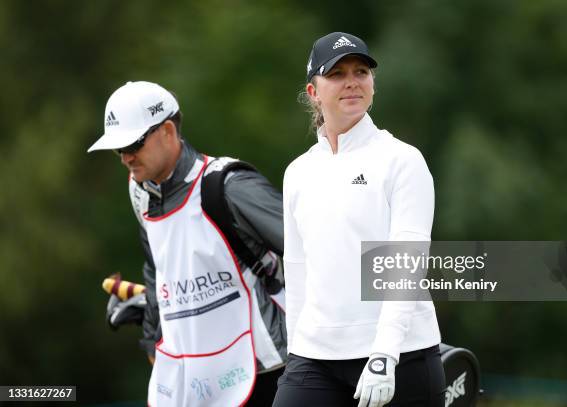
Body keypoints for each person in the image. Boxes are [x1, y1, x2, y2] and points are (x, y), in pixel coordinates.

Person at [88, 81, 287, 406]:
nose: (125, 158)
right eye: (118, 149)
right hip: (202, 378)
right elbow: (158, 268)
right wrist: (154, 333)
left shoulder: (228, 186)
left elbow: (312, 248)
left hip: (269, 370)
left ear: (167, 131)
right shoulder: (141, 192)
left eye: (133, 144)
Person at [273, 32, 445, 407]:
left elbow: (406, 259)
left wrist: (384, 354)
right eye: (336, 74)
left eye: (361, 71)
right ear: (313, 91)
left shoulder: (402, 160)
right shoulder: (298, 172)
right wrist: (295, 350)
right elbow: (298, 268)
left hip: (401, 356)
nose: (352, 81)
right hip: (315, 358)